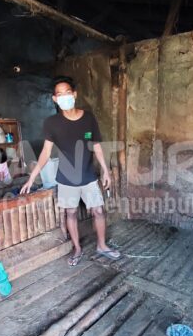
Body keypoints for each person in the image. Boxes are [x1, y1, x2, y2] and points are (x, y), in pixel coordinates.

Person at [20, 76, 120, 266]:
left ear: (74, 94)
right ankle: (77, 249)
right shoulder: (51, 123)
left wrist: (105, 170)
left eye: (67, 92)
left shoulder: (88, 118)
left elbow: (96, 146)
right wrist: (32, 178)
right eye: (59, 94)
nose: (64, 97)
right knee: (71, 214)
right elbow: (46, 152)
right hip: (66, 178)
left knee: (98, 211)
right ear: (55, 99)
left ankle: (101, 245)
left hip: (88, 176)